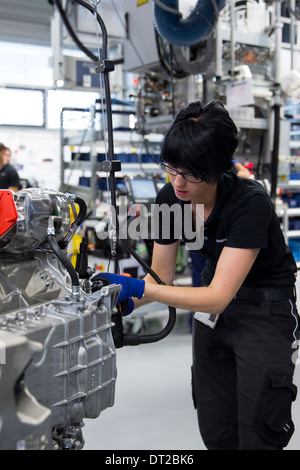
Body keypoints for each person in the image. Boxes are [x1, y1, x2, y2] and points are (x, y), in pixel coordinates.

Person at [97, 100, 299, 450]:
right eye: (171, 169)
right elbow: (161, 278)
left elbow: (220, 294)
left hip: (264, 311)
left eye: (190, 173)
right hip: (212, 315)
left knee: (259, 431)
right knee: (216, 426)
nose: (178, 182)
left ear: (217, 167)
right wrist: (126, 296)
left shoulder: (249, 202)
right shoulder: (170, 199)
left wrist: (144, 290)